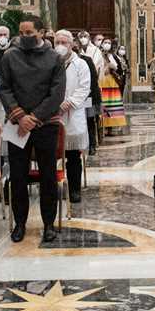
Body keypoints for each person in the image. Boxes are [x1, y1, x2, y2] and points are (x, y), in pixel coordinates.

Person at [0, 17, 67, 243]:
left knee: (48, 176)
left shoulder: (54, 58)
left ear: (42, 32)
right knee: (18, 176)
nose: (25, 37)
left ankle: (48, 224)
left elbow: (56, 93)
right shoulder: (10, 56)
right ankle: (20, 223)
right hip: (18, 125)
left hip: (45, 125)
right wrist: (20, 115)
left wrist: (35, 117)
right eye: (21, 33)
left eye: (30, 33)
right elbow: (4, 88)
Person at [54, 30, 92, 205]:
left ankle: (74, 189)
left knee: (73, 155)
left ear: (71, 44)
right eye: (57, 42)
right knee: (51, 154)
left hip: (73, 113)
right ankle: (53, 187)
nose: (61, 46)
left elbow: (84, 88)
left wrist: (68, 103)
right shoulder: (50, 62)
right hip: (53, 113)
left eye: (64, 42)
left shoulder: (81, 64)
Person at [98, 38, 129, 137]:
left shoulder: (113, 56)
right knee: (103, 105)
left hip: (112, 82)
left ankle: (110, 127)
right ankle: (102, 127)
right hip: (101, 81)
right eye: (105, 42)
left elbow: (119, 68)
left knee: (111, 105)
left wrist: (111, 66)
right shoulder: (98, 54)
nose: (107, 44)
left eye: (109, 43)